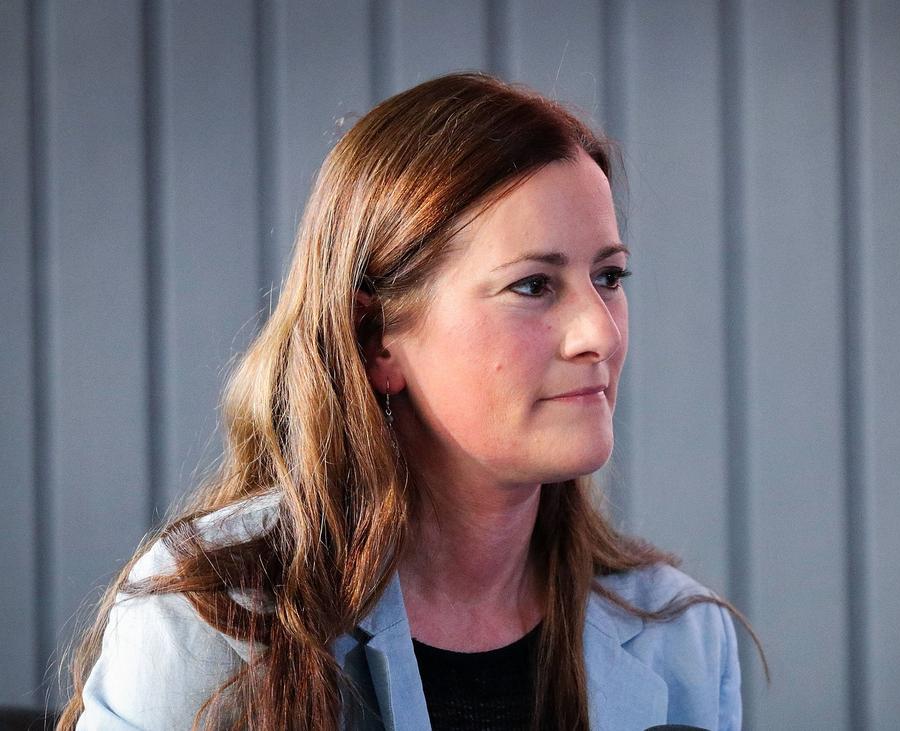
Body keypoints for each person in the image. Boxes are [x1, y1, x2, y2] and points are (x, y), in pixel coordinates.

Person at [57, 72, 762, 731]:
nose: (600, 334)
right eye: (533, 286)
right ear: (377, 339)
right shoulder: (211, 616)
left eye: (609, 276)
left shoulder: (682, 637)